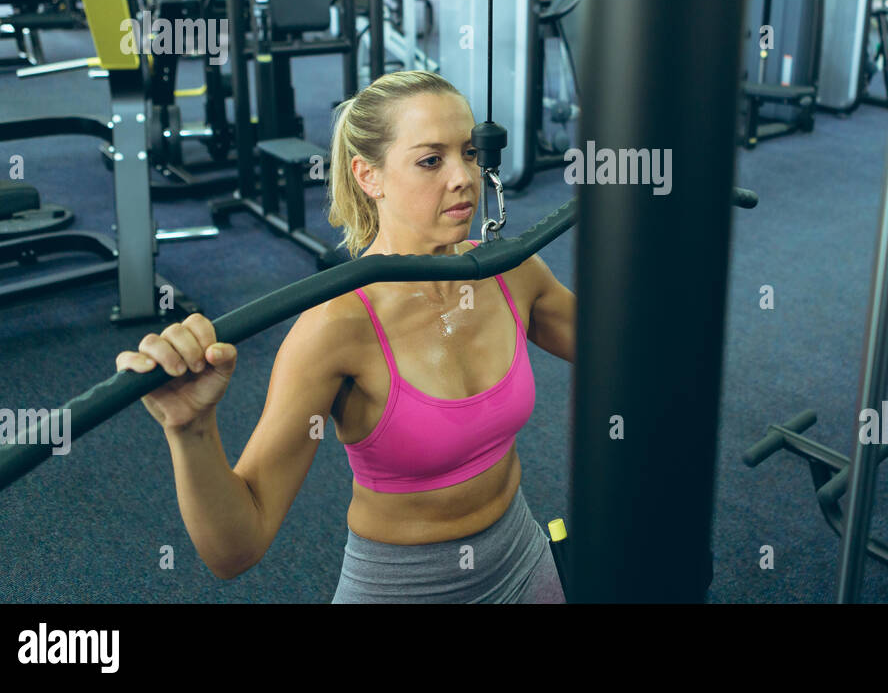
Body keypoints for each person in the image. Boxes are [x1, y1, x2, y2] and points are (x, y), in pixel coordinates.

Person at [115, 71, 575, 602]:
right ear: (368, 175)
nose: (463, 178)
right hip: (405, 589)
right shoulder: (336, 329)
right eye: (431, 160)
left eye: (470, 153)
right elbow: (236, 549)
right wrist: (191, 429)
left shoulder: (511, 271)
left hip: (523, 561)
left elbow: (630, 352)